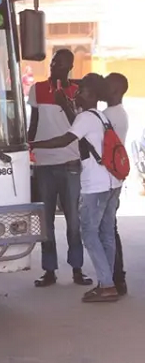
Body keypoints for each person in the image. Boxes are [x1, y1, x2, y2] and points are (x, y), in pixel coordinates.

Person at [30, 73, 121, 302]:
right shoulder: (101, 116)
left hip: (97, 185)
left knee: (89, 233)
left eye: (81, 92)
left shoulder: (85, 118)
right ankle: (107, 282)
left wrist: (32, 144)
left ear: (90, 94)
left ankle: (107, 285)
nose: (76, 94)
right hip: (113, 183)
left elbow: (63, 140)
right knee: (106, 234)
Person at [27, 49, 92, 288]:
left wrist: (64, 103)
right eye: (54, 63)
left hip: (70, 163)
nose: (55, 67)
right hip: (44, 163)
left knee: (73, 221)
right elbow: (33, 123)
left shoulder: (77, 93)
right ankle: (49, 271)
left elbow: (79, 128)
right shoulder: (37, 89)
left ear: (70, 69)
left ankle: (77, 269)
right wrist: (27, 148)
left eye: (62, 65)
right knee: (46, 223)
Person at [101, 73, 129, 295]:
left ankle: (114, 277)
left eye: (106, 84)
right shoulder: (119, 113)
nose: (102, 86)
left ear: (117, 91)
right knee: (110, 228)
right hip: (115, 177)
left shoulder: (107, 115)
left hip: (107, 179)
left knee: (107, 229)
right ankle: (117, 277)